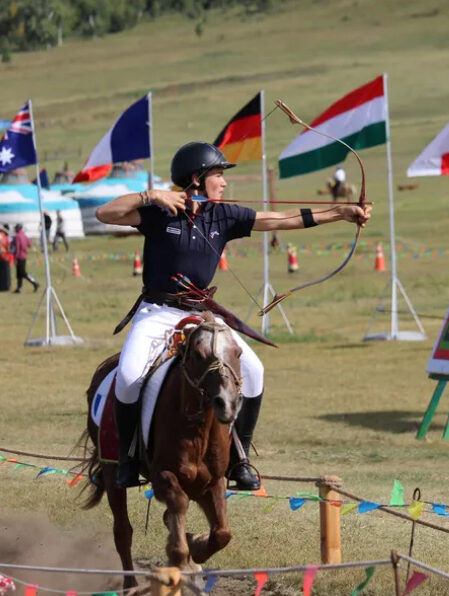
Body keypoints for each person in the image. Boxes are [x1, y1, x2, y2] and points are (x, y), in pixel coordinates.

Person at [96, 141, 370, 489]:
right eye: (218, 175)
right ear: (196, 178)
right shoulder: (159, 213)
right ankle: (128, 459)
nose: (224, 183)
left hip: (201, 315)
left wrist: (341, 213)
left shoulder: (223, 215)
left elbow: (280, 218)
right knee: (130, 375)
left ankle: (240, 461)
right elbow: (104, 214)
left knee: (253, 371)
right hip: (157, 312)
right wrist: (151, 196)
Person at [11, 224, 39, 293]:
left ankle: (35, 283)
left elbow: (17, 248)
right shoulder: (24, 236)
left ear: (18, 228)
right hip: (24, 256)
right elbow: (29, 244)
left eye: (16, 228)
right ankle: (19, 288)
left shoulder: (17, 236)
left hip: (19, 256)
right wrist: (34, 250)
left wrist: (15, 258)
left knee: (23, 273)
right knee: (19, 273)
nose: (15, 229)